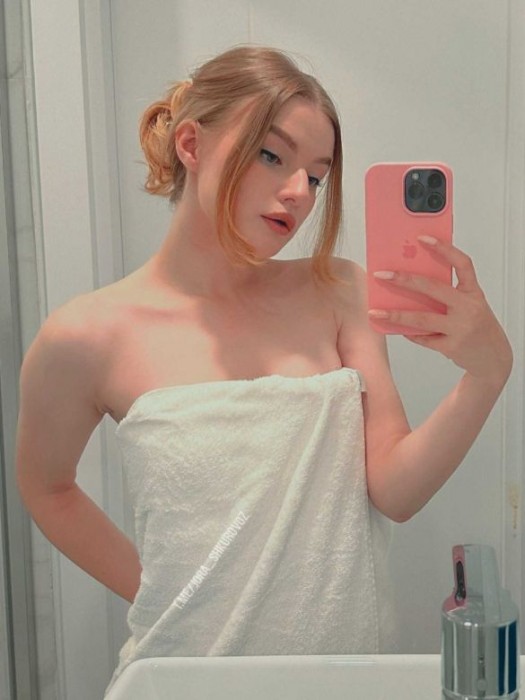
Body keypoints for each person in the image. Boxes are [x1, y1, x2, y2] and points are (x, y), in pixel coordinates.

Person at [15, 44, 512, 692]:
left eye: (316, 176)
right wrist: (162, 591)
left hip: (339, 680)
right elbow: (46, 486)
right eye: (272, 156)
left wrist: (486, 375)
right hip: (183, 679)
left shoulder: (339, 290)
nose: (298, 192)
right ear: (190, 144)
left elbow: (395, 491)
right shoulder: (87, 334)